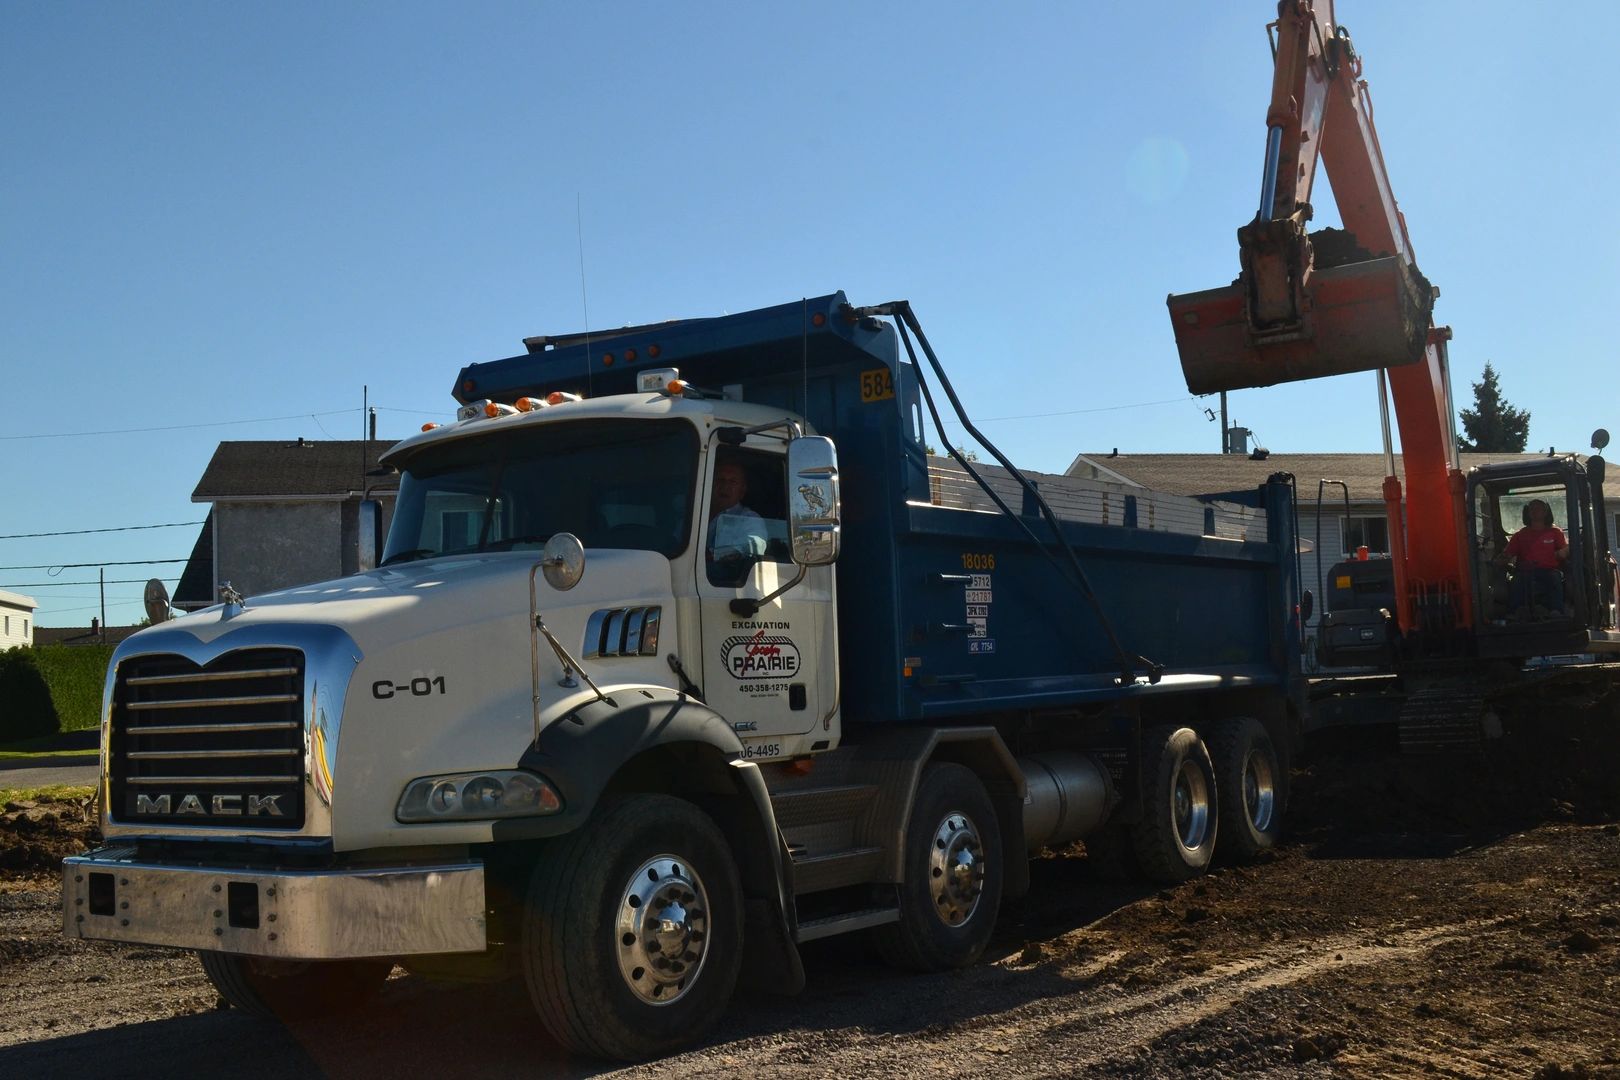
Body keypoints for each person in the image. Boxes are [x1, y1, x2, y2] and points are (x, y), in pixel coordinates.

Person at [1495, 498, 1568, 617]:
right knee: (1516, 581)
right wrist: (1500, 560)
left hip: (1549, 571)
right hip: (1525, 572)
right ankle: (1515, 613)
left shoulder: (1555, 532)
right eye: (1532, 509)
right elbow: (1507, 554)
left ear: (1546, 512)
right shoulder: (1520, 535)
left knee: (1554, 578)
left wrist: (1563, 552)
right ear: (1527, 513)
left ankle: (1556, 611)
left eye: (1538, 509)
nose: (1535, 511)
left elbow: (1564, 551)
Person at [707, 459, 767, 577]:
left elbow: (751, 548)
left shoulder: (750, 519)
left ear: (742, 491)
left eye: (732, 482)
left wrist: (712, 555)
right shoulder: (698, 513)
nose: (725, 486)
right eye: (720, 480)